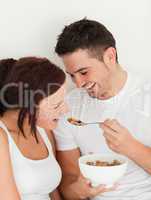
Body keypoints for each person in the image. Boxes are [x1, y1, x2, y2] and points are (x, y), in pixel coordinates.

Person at [54, 18, 151, 200]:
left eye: (83, 72)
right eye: (71, 76)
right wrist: (80, 190)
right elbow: (68, 184)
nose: (79, 84)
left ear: (110, 57)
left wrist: (131, 148)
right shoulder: (67, 106)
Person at [0, 57, 68, 200]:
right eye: (56, 105)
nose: (65, 110)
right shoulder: (2, 136)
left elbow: (53, 193)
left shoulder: (43, 130)